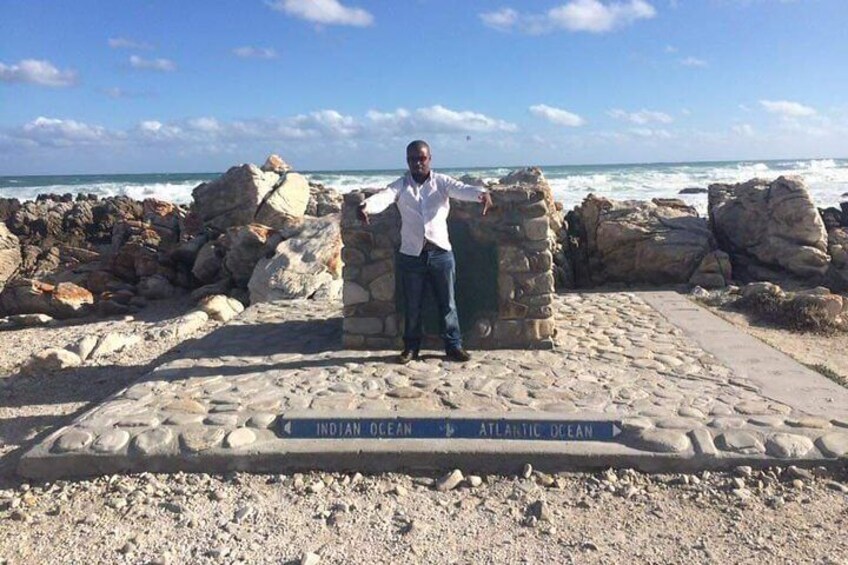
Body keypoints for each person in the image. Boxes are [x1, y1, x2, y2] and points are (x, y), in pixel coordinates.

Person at [358, 140, 493, 364]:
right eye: (412, 159)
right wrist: (366, 207)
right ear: (407, 161)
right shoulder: (400, 185)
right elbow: (384, 197)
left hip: (440, 253)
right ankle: (411, 348)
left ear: (429, 158)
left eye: (421, 158)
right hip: (411, 255)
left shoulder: (441, 182)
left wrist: (482, 194)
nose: (417, 163)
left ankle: (453, 346)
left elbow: (462, 190)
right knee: (412, 304)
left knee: (448, 303)